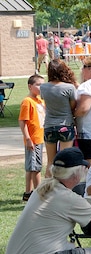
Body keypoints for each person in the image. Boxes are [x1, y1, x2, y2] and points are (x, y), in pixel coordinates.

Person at [41, 60, 77, 178]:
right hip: (65, 125)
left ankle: (47, 189)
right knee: (63, 161)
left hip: (49, 126)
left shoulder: (43, 87)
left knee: (50, 161)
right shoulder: (69, 88)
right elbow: (73, 106)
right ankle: (61, 189)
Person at [19, 74, 45, 202]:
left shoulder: (40, 100)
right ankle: (39, 194)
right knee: (36, 168)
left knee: (31, 167)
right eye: (38, 85)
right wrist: (28, 138)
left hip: (40, 138)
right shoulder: (27, 101)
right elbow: (22, 121)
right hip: (33, 140)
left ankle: (28, 193)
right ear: (30, 86)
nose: (41, 88)